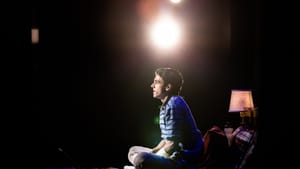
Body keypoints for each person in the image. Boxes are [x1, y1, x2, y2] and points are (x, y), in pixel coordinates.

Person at [124, 67, 204, 169]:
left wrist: (153, 157)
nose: (152, 85)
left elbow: (172, 144)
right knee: (133, 150)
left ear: (168, 87)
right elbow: (166, 140)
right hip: (171, 153)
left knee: (141, 158)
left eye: (157, 82)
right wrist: (153, 151)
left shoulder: (174, 104)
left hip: (183, 159)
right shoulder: (165, 106)